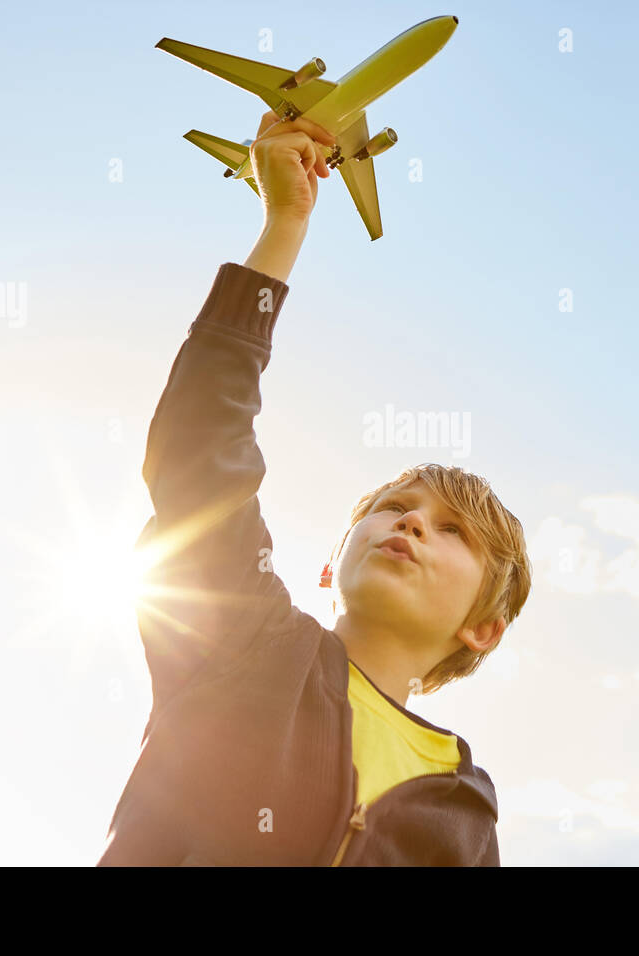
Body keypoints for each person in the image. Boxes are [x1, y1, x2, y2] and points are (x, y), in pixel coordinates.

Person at [96, 112, 532, 866]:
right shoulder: (244, 640)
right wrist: (284, 228)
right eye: (394, 509)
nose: (414, 525)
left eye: (453, 530)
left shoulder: (465, 812)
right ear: (331, 568)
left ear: (483, 628)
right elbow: (201, 453)